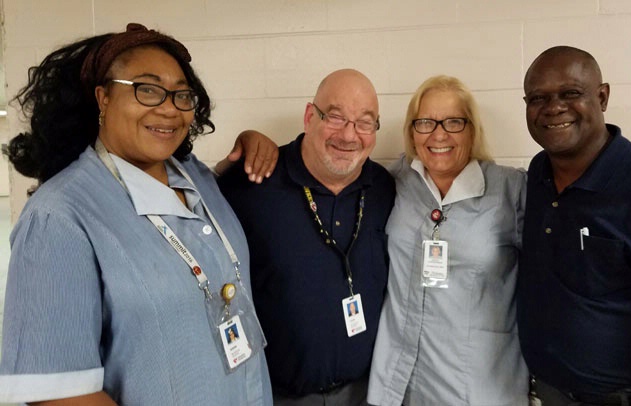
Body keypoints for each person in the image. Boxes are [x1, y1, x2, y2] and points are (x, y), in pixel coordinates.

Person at [0, 23, 272, 405]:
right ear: (103, 98)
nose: (168, 108)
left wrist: (255, 144)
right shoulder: (59, 218)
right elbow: (58, 394)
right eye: (147, 89)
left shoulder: (195, 177)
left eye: (182, 95)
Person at [517, 46, 631, 405]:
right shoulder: (537, 177)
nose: (554, 107)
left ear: (602, 97)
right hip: (547, 395)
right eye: (538, 98)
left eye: (571, 93)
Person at [217, 69, 395, 405]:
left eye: (365, 122)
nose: (349, 135)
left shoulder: (385, 188)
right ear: (310, 116)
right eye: (336, 117)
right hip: (277, 395)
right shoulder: (253, 182)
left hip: (365, 392)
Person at [367, 75, 529, 405]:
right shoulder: (396, 183)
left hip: (478, 386)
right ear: (412, 132)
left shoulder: (511, 190)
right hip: (399, 384)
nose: (439, 134)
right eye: (425, 122)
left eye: (454, 122)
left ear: (472, 129)